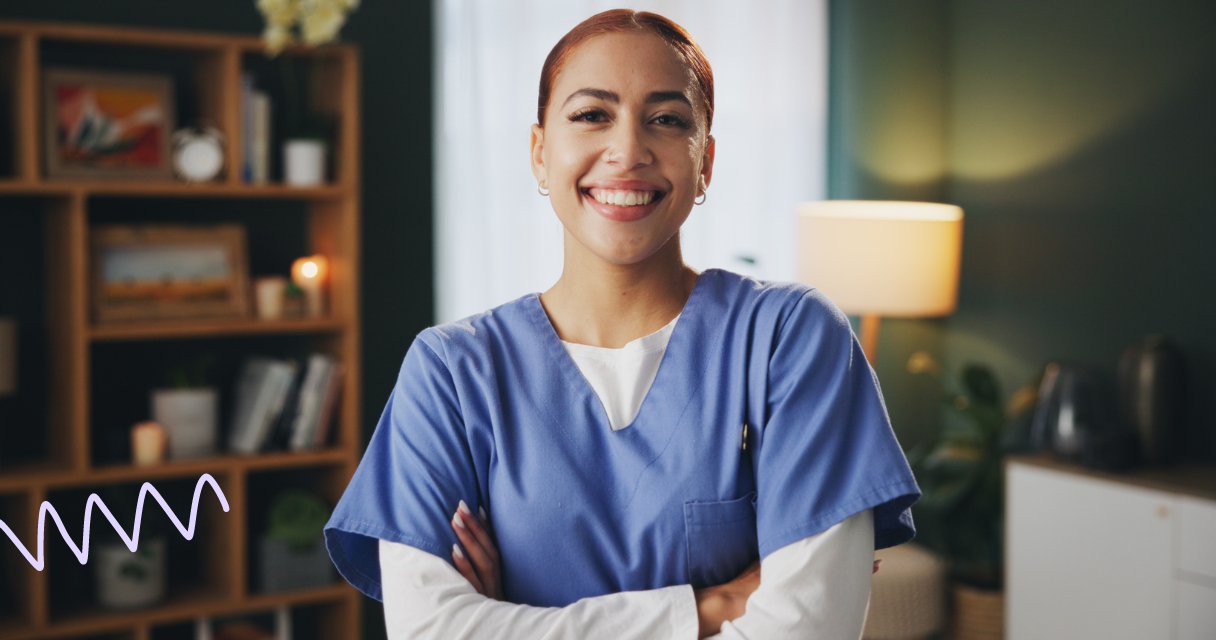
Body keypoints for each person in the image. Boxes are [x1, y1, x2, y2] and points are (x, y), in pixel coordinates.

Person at [325, 9, 920, 639]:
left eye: (667, 119)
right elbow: (431, 633)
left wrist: (513, 624)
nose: (628, 150)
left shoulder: (790, 340)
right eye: (591, 115)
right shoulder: (450, 372)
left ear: (705, 161)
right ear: (539, 152)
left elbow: (809, 632)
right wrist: (705, 609)